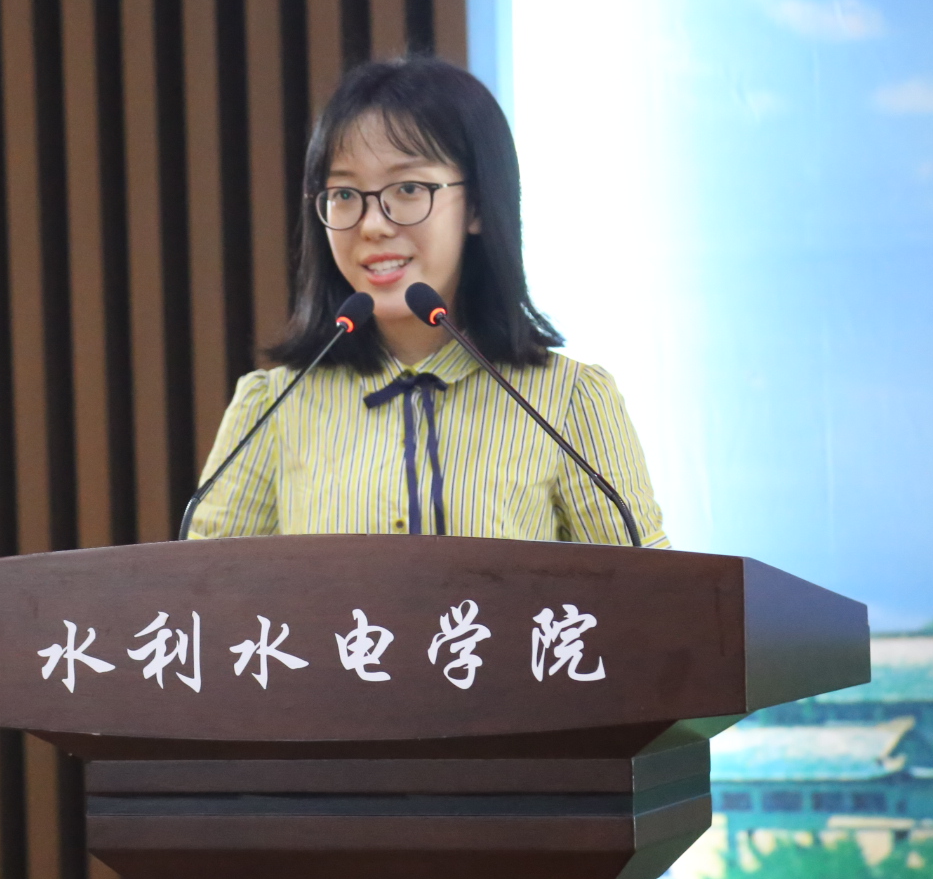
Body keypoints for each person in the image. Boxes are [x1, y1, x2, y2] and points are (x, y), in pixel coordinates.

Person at [186, 56, 669, 547]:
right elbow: (198, 586)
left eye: (409, 188)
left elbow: (646, 587)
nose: (373, 224)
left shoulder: (567, 401)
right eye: (345, 194)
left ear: (478, 205)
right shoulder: (272, 406)